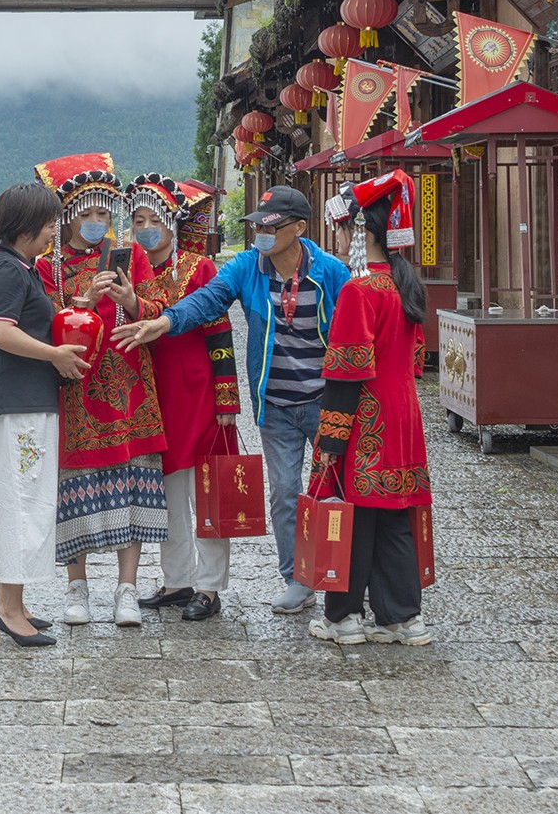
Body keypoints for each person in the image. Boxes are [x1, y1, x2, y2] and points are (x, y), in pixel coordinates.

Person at [115, 183, 349, 614]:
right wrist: (164, 322)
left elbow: (355, 328)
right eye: (256, 224)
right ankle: (296, 578)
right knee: (283, 492)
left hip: (325, 401)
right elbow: (207, 303)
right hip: (275, 402)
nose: (260, 231)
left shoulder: (332, 272)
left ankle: (344, 578)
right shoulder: (246, 267)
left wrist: (225, 403)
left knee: (335, 491)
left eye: (270, 225)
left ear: (298, 228)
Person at [34, 153, 168, 628]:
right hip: (78, 385)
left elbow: (157, 309)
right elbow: (42, 328)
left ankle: (126, 590)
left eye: (103, 214)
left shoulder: (129, 255)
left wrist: (129, 299)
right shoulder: (47, 263)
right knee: (77, 485)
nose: (96, 222)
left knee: (132, 482)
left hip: (130, 382)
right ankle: (77, 586)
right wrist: (83, 303)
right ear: (68, 215)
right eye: (86, 213)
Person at [307, 171, 434, 646]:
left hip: (367, 417)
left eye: (341, 229)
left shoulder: (358, 292)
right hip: (404, 415)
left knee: (353, 515)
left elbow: (345, 374)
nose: (337, 238)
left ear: (360, 233)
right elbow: (416, 361)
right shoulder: (406, 287)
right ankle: (401, 616)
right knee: (394, 512)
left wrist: (330, 442)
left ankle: (342, 618)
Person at [0, 180, 89, 649]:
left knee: (29, 499)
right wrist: (54, 355)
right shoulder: (5, 269)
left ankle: (11, 600)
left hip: (28, 400)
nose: (51, 235)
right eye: (46, 226)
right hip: (16, 402)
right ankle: (8, 607)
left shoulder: (19, 266)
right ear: (23, 228)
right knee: (22, 502)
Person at [126, 175, 239, 621]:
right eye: (139, 220)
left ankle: (210, 588)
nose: (147, 228)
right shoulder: (129, 270)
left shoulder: (199, 269)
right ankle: (177, 580)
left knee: (204, 491)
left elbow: (220, 332)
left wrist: (227, 398)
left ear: (173, 223)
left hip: (199, 392)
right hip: (154, 399)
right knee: (166, 494)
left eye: (155, 219)